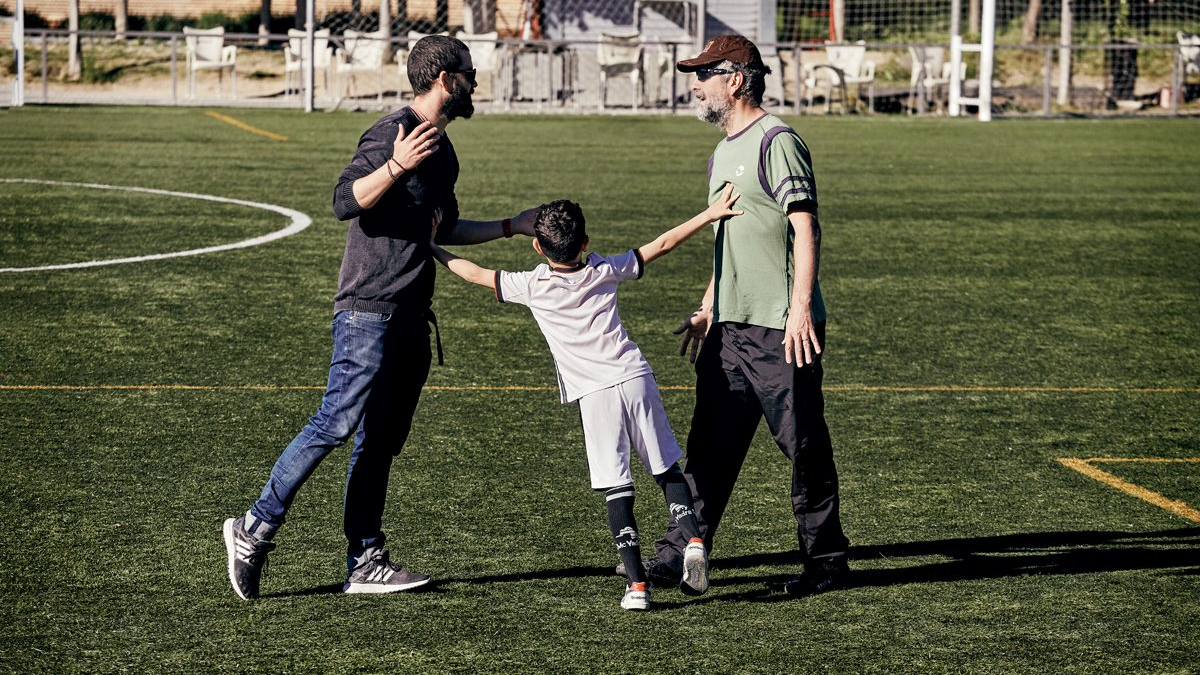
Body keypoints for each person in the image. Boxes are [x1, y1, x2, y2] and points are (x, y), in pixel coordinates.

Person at [222, 35, 539, 600]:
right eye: (468, 70)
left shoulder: (443, 151)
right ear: (445, 78)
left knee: (379, 441)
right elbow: (345, 200)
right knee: (336, 422)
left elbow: (441, 230)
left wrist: (512, 226)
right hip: (368, 310)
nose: (475, 79)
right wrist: (395, 164)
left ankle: (365, 561)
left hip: (413, 315)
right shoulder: (390, 132)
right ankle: (253, 529)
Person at [428, 186, 743, 610]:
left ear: (538, 247)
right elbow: (662, 244)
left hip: (595, 395)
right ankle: (694, 542)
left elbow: (473, 273)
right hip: (635, 376)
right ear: (586, 243)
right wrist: (708, 215)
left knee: (618, 488)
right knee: (666, 468)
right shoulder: (603, 269)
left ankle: (637, 589)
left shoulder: (532, 285)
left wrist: (430, 245)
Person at [640, 34, 852, 598]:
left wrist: (800, 309)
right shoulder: (722, 152)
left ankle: (826, 561)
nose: (695, 84)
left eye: (705, 74)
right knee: (709, 445)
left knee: (803, 445)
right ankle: (677, 551)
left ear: (736, 80)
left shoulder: (777, 141)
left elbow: (805, 227)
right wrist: (710, 303)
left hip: (781, 329)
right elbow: (730, 237)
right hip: (729, 328)